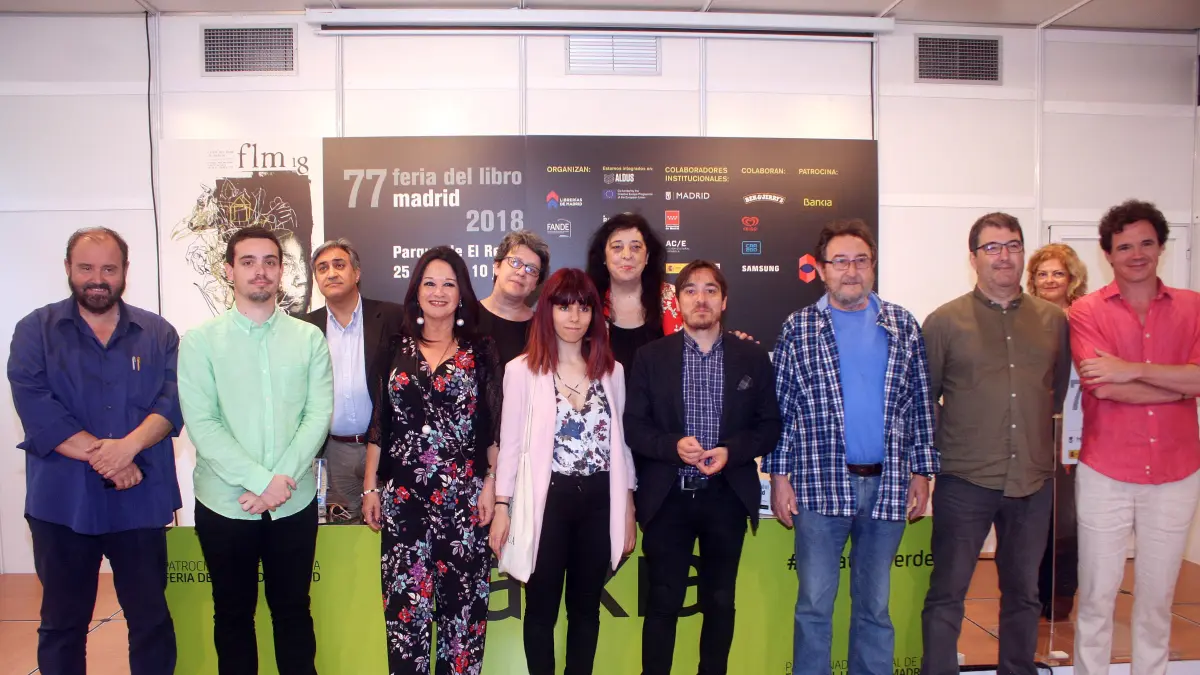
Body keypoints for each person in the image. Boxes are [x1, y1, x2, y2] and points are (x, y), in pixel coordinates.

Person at [766, 219, 939, 675]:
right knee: (814, 607)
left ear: (873, 266)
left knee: (875, 609)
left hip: (888, 486)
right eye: (839, 261)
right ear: (822, 270)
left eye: (860, 260)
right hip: (819, 487)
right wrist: (779, 477)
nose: (851, 270)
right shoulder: (799, 328)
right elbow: (782, 409)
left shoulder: (902, 325)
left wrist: (922, 472)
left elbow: (920, 403)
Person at [8, 227, 182, 675]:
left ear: (125, 271)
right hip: (63, 504)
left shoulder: (158, 333)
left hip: (140, 503)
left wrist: (128, 448)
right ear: (68, 268)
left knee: (151, 623)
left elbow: (172, 403)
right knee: (62, 626)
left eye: (109, 268)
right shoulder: (34, 331)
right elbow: (37, 408)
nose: (98, 279)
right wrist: (110, 459)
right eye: (86, 267)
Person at [178, 225, 333, 675]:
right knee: (232, 614)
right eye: (248, 262)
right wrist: (263, 482)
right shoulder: (200, 341)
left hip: (292, 503)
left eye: (269, 261)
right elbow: (203, 425)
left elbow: (317, 415)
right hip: (225, 504)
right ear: (229, 271)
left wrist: (278, 483)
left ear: (282, 270)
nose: (259, 271)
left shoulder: (308, 339)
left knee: (293, 611)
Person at [919, 213, 1070, 675]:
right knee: (948, 593)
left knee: (1024, 594)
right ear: (974, 258)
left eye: (1013, 246)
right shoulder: (944, 322)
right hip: (965, 480)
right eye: (992, 247)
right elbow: (925, 400)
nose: (1004, 256)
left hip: (1032, 481)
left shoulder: (1053, 321)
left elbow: (1054, 393)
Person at [624, 260, 781, 675]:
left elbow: (769, 426)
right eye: (691, 290)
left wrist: (731, 451)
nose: (701, 298)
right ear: (678, 301)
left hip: (726, 496)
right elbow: (634, 427)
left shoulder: (752, 357)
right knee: (663, 602)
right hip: (668, 498)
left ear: (724, 300)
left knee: (720, 601)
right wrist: (672, 446)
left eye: (711, 290)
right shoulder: (651, 357)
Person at [1069, 200, 1200, 675]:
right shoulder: (1085, 311)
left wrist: (1130, 370)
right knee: (1096, 596)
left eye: (1146, 243)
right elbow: (1101, 385)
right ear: (1108, 254)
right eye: (1124, 246)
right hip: (1106, 471)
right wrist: (1178, 384)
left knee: (1157, 600)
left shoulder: (1194, 307)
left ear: (1162, 247)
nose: (1137, 254)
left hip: (1176, 472)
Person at [361, 246, 502, 675]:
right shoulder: (394, 346)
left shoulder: (481, 350)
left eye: (448, 284)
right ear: (416, 291)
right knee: (406, 620)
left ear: (461, 294)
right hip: (404, 501)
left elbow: (492, 425)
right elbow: (380, 421)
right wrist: (370, 486)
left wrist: (492, 484)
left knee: (463, 623)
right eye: (429, 283)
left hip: (464, 504)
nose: (438, 292)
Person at [488, 268, 637, 675]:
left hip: (600, 501)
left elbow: (621, 446)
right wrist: (501, 505)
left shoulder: (612, 372)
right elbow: (511, 445)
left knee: (586, 610)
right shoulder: (522, 371)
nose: (574, 317)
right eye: (564, 306)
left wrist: (627, 507)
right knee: (541, 609)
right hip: (547, 503)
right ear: (547, 311)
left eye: (584, 307)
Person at [302, 238, 403, 523]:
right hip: (334, 453)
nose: (331, 273)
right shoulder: (305, 328)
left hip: (386, 448)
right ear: (316, 279)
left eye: (339, 265)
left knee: (392, 529)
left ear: (356, 273)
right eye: (322, 268)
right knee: (341, 533)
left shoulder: (392, 317)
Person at [1026, 243, 1089, 621]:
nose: (1049, 280)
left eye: (1057, 273)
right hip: (1033, 427)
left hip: (1076, 428)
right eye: (1042, 274)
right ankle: (1030, 591)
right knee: (1032, 512)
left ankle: (1062, 592)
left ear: (1072, 279)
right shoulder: (1025, 319)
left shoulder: (1085, 319)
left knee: (1067, 515)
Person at [586, 213, 683, 372]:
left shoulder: (675, 299)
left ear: (647, 256)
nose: (627, 255)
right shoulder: (587, 302)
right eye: (617, 247)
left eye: (636, 247)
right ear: (604, 256)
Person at [478, 231, 551, 369]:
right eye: (515, 262)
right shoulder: (467, 316)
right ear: (497, 266)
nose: (521, 272)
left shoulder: (543, 329)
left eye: (531, 270)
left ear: (535, 284)